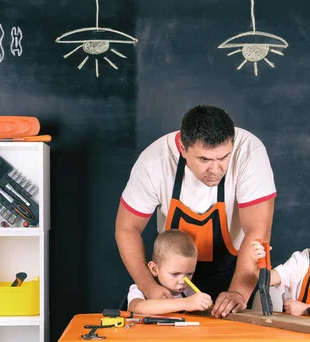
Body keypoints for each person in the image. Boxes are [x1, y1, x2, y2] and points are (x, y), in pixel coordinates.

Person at [116, 105, 276, 318]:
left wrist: (238, 292)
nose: (215, 169)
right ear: (183, 148)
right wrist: (149, 287)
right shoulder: (154, 162)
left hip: (235, 271)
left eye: (223, 157)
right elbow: (127, 228)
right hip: (170, 278)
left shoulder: (250, 152)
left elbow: (257, 230)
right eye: (204, 160)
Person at [126, 229, 213, 315]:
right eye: (175, 274)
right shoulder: (140, 289)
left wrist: (206, 308)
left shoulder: (189, 291)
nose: (182, 281)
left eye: (189, 274)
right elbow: (135, 308)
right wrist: (185, 303)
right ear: (154, 269)